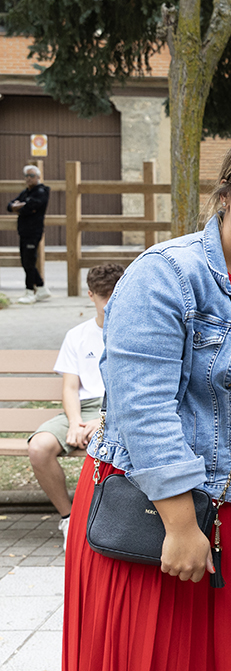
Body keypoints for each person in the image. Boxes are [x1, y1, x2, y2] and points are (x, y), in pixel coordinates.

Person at [62, 129, 231, 671]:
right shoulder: (166, 273)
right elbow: (140, 406)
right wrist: (178, 523)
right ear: (226, 191)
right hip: (161, 502)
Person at [27, 263, 124, 550]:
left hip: (116, 408)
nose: (109, 303)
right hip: (81, 409)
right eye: (103, 295)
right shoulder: (77, 335)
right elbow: (70, 387)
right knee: (38, 447)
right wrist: (74, 422)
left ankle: (103, 521)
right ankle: (69, 517)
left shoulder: (134, 331)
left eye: (115, 294)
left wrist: (104, 421)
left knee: (103, 442)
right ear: (91, 295)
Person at [7, 164, 51, 304]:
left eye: (31, 175)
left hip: (34, 232)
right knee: (26, 261)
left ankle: (30, 292)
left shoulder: (42, 191)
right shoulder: (26, 192)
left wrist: (21, 206)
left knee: (29, 261)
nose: (29, 178)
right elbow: (10, 205)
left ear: (38, 177)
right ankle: (42, 289)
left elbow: (32, 207)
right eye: (26, 176)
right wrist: (19, 206)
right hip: (23, 232)